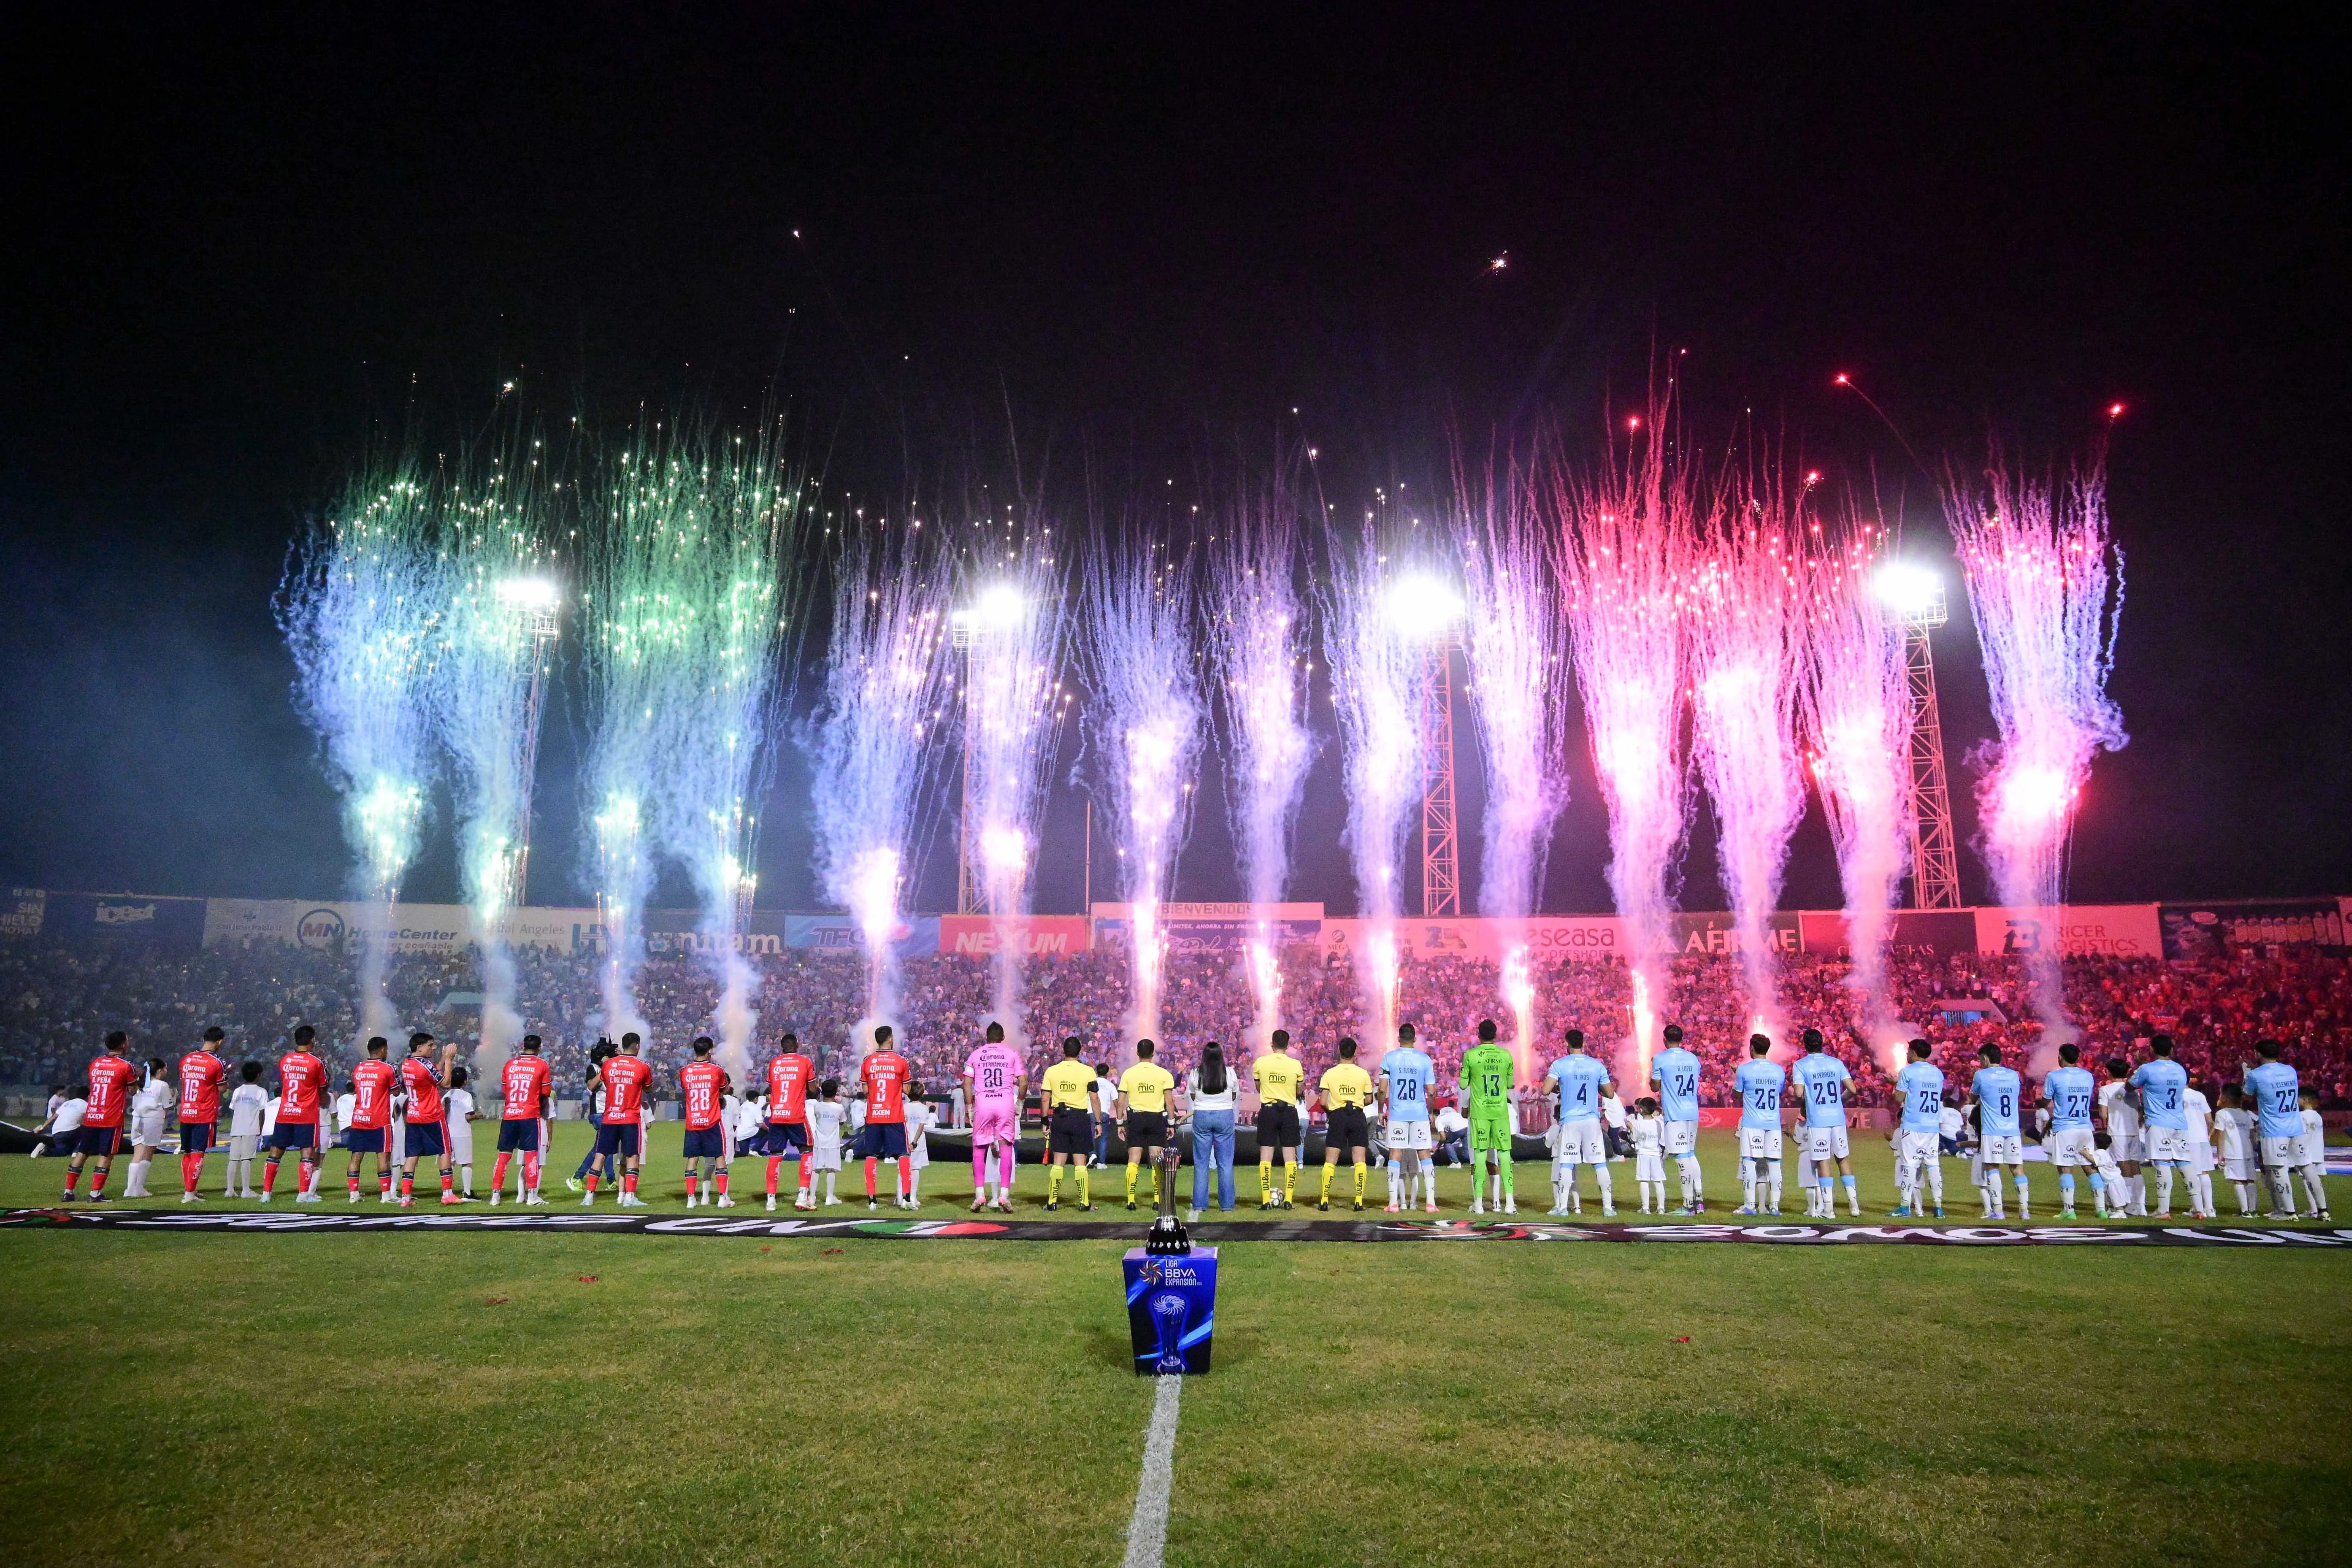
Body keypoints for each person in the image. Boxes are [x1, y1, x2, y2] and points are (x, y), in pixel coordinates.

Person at [1789, 1028, 1860, 1217]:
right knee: (1843, 1159)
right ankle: (1854, 1206)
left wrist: (1804, 1102)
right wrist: (1839, 1101)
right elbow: (1853, 1090)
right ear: (1822, 1043)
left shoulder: (1801, 1065)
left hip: (1818, 1120)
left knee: (1823, 1162)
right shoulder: (1836, 1063)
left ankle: (1829, 1209)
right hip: (1837, 1118)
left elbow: (1799, 1094)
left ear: (1805, 1045)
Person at [1545, 1027, 1614, 1217]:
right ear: (1583, 1044)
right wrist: (1594, 1087)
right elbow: (1610, 1093)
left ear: (1567, 1045)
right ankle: (1608, 1208)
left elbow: (1545, 1090)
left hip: (1571, 1120)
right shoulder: (1596, 1065)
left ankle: (1562, 1208)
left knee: (1567, 1163)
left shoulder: (1560, 1064)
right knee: (1599, 1163)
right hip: (1591, 1119)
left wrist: (1563, 1087)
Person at [61, 1033, 136, 1202]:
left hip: (93, 1115)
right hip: (111, 1117)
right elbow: (132, 1091)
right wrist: (135, 1079)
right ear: (123, 1044)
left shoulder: (95, 1063)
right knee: (106, 1154)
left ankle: (68, 1192)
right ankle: (95, 1194)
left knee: (83, 1152)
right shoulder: (126, 1066)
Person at [259, 1026, 328, 1205]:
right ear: (313, 1040)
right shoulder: (317, 1062)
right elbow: (323, 1086)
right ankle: (303, 1195)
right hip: (306, 1113)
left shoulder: (285, 1060)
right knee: (307, 1151)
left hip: (286, 1112)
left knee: (276, 1151)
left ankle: (266, 1194)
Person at [583, 1033, 653, 1207]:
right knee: (632, 1156)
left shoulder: (608, 1065)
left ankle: (589, 1197)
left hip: (610, 1117)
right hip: (630, 1117)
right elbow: (649, 1089)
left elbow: (604, 1083)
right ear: (637, 1047)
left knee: (601, 1155)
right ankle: (630, 1197)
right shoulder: (642, 1067)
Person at [395, 1032, 464, 1208]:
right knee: (445, 1151)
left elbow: (432, 1075)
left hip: (414, 1116)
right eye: (430, 1045)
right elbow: (446, 1083)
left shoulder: (407, 1064)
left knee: (412, 1156)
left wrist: (441, 1061)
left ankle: (406, 1197)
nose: (433, 1048)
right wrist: (448, 1060)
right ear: (420, 1047)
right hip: (432, 1115)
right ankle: (447, 1194)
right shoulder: (426, 1065)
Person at [963, 1021, 1026, 1213]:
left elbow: (966, 1084)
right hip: (1005, 1104)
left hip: (983, 1104)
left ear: (987, 1037)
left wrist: (970, 1108)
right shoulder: (1012, 1054)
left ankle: (980, 1194)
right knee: (1006, 1148)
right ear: (1003, 1038)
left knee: (979, 1149)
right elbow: (1023, 1082)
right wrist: (1020, 1104)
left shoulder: (976, 1055)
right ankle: (1004, 1195)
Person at [2128, 1036, 2193, 1219]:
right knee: (2184, 1163)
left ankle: (2163, 1210)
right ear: (2171, 1050)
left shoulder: (2147, 1069)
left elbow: (2129, 1086)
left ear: (2152, 1049)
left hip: (2158, 1122)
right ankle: (2199, 1208)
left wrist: (2141, 1065)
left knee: (2162, 1163)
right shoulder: (2180, 1069)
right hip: (2179, 1122)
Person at [1458, 1020, 1517, 1215]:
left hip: (1480, 1113)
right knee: (1504, 1156)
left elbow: (1463, 1084)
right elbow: (1510, 1084)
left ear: (1479, 1035)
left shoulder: (1471, 1055)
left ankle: (1479, 1205)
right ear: (1496, 1035)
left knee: (1480, 1156)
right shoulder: (1506, 1055)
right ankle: (1509, 1204)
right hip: (1500, 1112)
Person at [1116, 1040, 1181, 1211]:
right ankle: (1157, 1201)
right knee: (1156, 1160)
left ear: (1137, 1053)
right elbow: (1170, 1102)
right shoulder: (1164, 1074)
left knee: (1133, 1160)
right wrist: (1172, 1125)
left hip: (1136, 1118)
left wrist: (1120, 1124)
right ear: (1154, 1054)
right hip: (1156, 1118)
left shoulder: (1129, 1074)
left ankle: (1131, 1201)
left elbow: (1121, 1102)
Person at [1380, 1023, 1439, 1213]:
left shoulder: (1389, 1058)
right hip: (1419, 1113)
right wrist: (1431, 1112)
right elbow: (1431, 1091)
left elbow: (1382, 1089)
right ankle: (1431, 1203)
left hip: (1398, 1113)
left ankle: (1393, 1203)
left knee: (1395, 1154)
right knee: (1425, 1155)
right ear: (1415, 1039)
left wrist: (1381, 1110)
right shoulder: (1424, 1059)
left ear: (1399, 1039)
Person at [490, 1035, 554, 1206]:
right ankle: (532, 1197)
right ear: (539, 1048)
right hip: (530, 1115)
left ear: (522, 1046)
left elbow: (506, 1090)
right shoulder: (542, 1065)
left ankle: (495, 1197)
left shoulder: (510, 1064)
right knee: (531, 1156)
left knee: (503, 1157)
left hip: (510, 1115)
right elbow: (546, 1092)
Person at [858, 1024, 916, 1210]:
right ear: (891, 1039)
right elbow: (907, 1089)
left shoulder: (868, 1061)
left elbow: (865, 1090)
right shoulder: (901, 1061)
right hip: (894, 1115)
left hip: (874, 1116)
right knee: (903, 1154)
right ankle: (907, 1199)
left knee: (871, 1156)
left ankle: (872, 1200)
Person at [1649, 1024, 1706, 1213]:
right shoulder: (1693, 1059)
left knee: (1682, 1157)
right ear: (1681, 1039)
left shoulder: (1661, 1058)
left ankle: (1688, 1204)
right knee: (1690, 1154)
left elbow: (1654, 1087)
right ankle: (1699, 1201)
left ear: (1665, 1039)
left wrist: (1654, 1070)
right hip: (1692, 1112)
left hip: (1675, 1114)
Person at [2243, 1039, 2304, 1219]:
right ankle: (2320, 1210)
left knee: (2278, 1171)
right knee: (2306, 1168)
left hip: (2274, 1129)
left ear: (2258, 1054)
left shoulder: (2256, 1075)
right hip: (2296, 1126)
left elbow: (2247, 1097)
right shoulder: (2290, 1070)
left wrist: (2246, 1072)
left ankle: (2289, 1212)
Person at [1889, 1039, 1947, 1219]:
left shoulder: (1908, 1071)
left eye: (1908, 1051)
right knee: (1933, 1165)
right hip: (1932, 1126)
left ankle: (1904, 1207)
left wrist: (1895, 1085)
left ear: (1914, 1053)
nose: (1907, 1054)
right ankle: (1938, 1208)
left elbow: (1898, 1098)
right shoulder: (1938, 1073)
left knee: (1909, 1165)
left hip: (1913, 1125)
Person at [1316, 1037, 1376, 1212]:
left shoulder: (1330, 1074)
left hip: (1338, 1116)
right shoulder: (1363, 1074)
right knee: (1360, 1160)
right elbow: (1369, 1099)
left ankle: (1324, 1201)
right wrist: (1357, 1103)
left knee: (1331, 1161)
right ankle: (1358, 1202)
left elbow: (1323, 1102)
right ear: (1355, 1053)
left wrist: (1332, 1111)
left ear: (1338, 1052)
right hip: (1357, 1115)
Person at [1971, 1043, 2029, 1220]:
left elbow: (1973, 1097)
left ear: (1986, 1058)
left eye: (1981, 1059)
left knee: (1992, 1168)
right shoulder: (2014, 1075)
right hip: (2013, 1129)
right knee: (2017, 1169)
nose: (1980, 1063)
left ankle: (1998, 1212)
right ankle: (2024, 1211)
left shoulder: (1981, 1075)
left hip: (1992, 1129)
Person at [761, 1032, 817, 1211]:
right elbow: (813, 1089)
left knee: (775, 1155)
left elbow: (772, 1087)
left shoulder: (774, 1063)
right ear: (797, 1045)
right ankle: (802, 1197)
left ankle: (771, 1201)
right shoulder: (805, 1062)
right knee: (807, 1151)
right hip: (796, 1115)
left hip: (777, 1114)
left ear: (782, 1047)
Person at [2041, 1042, 2099, 1219]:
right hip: (2086, 1127)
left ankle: (2069, 1211)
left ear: (2060, 1057)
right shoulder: (2088, 1076)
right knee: (2090, 1167)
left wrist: (2040, 1104)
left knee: (2065, 1169)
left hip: (2065, 1127)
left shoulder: (2054, 1076)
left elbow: (2045, 1101)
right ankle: (2101, 1209)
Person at [1251, 1029, 1306, 1209]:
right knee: (1290, 1156)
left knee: (1266, 1156)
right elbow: (1300, 1090)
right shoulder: (1296, 1065)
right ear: (1288, 1045)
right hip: (1289, 1111)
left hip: (1269, 1110)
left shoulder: (1261, 1063)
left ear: (1272, 1044)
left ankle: (1266, 1201)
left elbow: (1259, 1087)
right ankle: (1289, 1200)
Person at [1041, 1036, 1098, 1212]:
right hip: (1080, 1118)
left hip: (1060, 1117)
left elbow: (1045, 1098)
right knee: (1080, 1162)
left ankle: (1052, 1203)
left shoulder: (1052, 1071)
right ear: (1080, 1052)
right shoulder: (1088, 1071)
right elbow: (1094, 1098)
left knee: (1058, 1161)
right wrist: (1098, 1122)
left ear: (1063, 1050)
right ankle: (1084, 1203)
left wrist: (1045, 1121)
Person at [1732, 1035, 1786, 1217]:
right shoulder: (1779, 1071)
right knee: (1775, 1164)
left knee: (1749, 1162)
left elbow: (1737, 1095)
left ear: (1752, 1048)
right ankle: (1775, 1207)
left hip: (1752, 1123)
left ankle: (1750, 1206)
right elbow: (1778, 1092)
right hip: (1773, 1124)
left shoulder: (1744, 1070)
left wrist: (1737, 1076)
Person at [174, 1027, 229, 1204]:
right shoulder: (216, 1062)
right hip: (203, 1113)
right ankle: (190, 1194)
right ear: (220, 1042)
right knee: (198, 1152)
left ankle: (190, 1190)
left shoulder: (186, 1059)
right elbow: (222, 1088)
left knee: (188, 1152)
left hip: (186, 1112)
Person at [679, 1037, 733, 1209]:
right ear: (710, 1051)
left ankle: (691, 1199)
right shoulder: (716, 1070)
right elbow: (725, 1089)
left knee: (692, 1159)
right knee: (719, 1157)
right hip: (711, 1121)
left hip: (693, 1122)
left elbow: (685, 1088)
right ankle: (723, 1198)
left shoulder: (685, 1071)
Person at [1186, 1040, 1237, 1220]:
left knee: (1201, 1163)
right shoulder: (1230, 1072)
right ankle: (1227, 1205)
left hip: (1202, 1116)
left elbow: (1193, 1095)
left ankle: (1200, 1204)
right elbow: (1234, 1095)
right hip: (1224, 1116)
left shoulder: (1196, 1073)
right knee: (1225, 1163)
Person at [345, 1037, 400, 1204]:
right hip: (379, 1119)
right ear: (383, 1050)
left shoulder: (359, 1069)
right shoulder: (387, 1068)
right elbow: (396, 1091)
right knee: (383, 1157)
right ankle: (386, 1196)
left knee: (356, 1156)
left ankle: (354, 1195)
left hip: (359, 1118)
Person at [567, 1039, 619, 1193]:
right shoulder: (594, 1068)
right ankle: (577, 1177)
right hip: (599, 1112)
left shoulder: (612, 1067)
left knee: (606, 1147)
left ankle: (611, 1181)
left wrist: (621, 1057)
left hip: (609, 1111)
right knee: (602, 1147)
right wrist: (605, 1069)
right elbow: (590, 1086)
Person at [2098, 1056, 2146, 1216]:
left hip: (2118, 1132)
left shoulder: (2106, 1090)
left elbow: (2103, 1114)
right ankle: (2141, 1206)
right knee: (2136, 1168)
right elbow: (2139, 1111)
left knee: (2124, 1168)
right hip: (2134, 1131)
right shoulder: (2134, 1091)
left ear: (2109, 1072)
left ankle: (2129, 1205)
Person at [122, 1056, 171, 1198]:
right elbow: (167, 1106)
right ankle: (138, 1188)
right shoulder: (162, 1085)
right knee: (148, 1153)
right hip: (153, 1119)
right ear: (160, 1071)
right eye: (165, 1068)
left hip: (137, 1118)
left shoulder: (141, 1083)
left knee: (137, 1154)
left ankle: (130, 1189)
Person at [2212, 1083, 2260, 1217]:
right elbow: (2252, 1135)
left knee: (2238, 1180)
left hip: (2233, 1152)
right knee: (2250, 1180)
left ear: (2226, 1097)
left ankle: (2245, 1211)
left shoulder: (2222, 1114)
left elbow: (2221, 1136)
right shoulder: (2246, 1114)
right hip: (2248, 1152)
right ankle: (2253, 1210)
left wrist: (2220, 1155)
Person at [225, 1061, 266, 1197]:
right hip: (251, 1128)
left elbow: (233, 1108)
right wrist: (261, 1129)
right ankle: (246, 1190)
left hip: (237, 1128)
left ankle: (230, 1190)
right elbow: (262, 1112)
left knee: (233, 1159)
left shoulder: (238, 1091)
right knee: (247, 1159)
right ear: (259, 1075)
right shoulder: (261, 1092)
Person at [2181, 1076, 2219, 1220]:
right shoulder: (2199, 1096)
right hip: (2202, 1138)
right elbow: (2210, 1121)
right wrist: (2208, 1135)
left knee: (2192, 1174)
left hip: (2188, 1138)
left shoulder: (2177, 1096)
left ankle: (2199, 1209)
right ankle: (2210, 1209)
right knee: (2204, 1172)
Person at [807, 1078, 847, 1206]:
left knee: (816, 1169)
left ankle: (812, 1197)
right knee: (831, 1169)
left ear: (822, 1092)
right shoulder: (839, 1108)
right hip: (833, 1144)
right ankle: (830, 1197)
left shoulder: (817, 1106)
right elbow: (842, 1122)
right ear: (836, 1092)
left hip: (819, 1143)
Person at [2296, 1089, 2332, 1221]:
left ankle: (2314, 1210)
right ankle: (2318, 1209)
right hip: (2317, 1152)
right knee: (2314, 1181)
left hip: (2307, 1153)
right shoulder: (2318, 1116)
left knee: (2307, 1182)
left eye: (2299, 1099)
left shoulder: (2301, 1116)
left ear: (2305, 1100)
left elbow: (2300, 1135)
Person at [445, 1066, 480, 1198]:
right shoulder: (466, 1096)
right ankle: (467, 1193)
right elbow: (468, 1116)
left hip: (448, 1133)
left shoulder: (446, 1096)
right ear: (465, 1082)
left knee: (450, 1163)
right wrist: (478, 1116)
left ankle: (448, 1192)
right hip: (462, 1132)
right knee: (466, 1163)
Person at [1629, 1096, 1668, 1213]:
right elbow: (1662, 1140)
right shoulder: (1659, 1123)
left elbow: (1634, 1138)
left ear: (1641, 1109)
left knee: (1644, 1180)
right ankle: (1661, 1208)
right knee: (1658, 1181)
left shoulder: (1638, 1123)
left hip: (1643, 1154)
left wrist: (1631, 1128)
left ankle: (1646, 1208)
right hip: (1656, 1154)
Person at [905, 1085, 937, 1204]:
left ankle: (900, 1197)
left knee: (902, 1170)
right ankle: (913, 1197)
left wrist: (907, 1141)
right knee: (916, 1169)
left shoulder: (904, 1107)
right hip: (918, 1144)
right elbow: (921, 1126)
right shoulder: (924, 1108)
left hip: (905, 1142)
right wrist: (914, 1142)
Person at [1432, 1101, 1471, 1169]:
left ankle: (1455, 1162)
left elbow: (1443, 1138)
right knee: (1466, 1154)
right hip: (1467, 1126)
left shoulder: (1438, 1120)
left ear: (1434, 1116)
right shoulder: (1448, 1115)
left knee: (1447, 1143)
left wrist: (1437, 1147)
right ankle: (1476, 1162)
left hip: (1457, 1128)